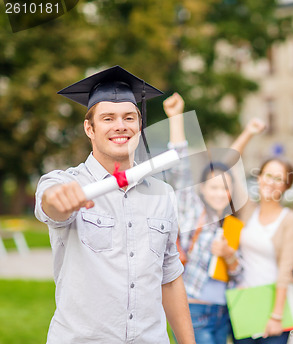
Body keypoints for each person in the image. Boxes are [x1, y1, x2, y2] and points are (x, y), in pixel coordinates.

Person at [34, 66, 195, 344]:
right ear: (90, 128)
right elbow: (51, 204)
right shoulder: (66, 183)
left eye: (129, 117)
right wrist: (59, 200)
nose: (120, 125)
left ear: (139, 125)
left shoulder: (162, 194)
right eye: (108, 118)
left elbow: (169, 277)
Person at [163, 92, 267, 344]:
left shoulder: (232, 221)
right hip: (194, 309)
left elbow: (238, 272)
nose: (220, 193)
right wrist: (176, 117)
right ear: (202, 188)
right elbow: (179, 166)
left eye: (225, 187)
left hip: (224, 312)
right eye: (214, 187)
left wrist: (229, 255)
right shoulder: (191, 208)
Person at [234, 156, 293, 344]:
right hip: (245, 303)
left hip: (274, 307)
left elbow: (285, 270)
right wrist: (249, 132)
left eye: (278, 178)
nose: (271, 182)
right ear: (259, 177)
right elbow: (229, 166)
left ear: (286, 186)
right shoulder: (248, 209)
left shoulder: (290, 219)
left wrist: (276, 315)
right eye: (267, 175)